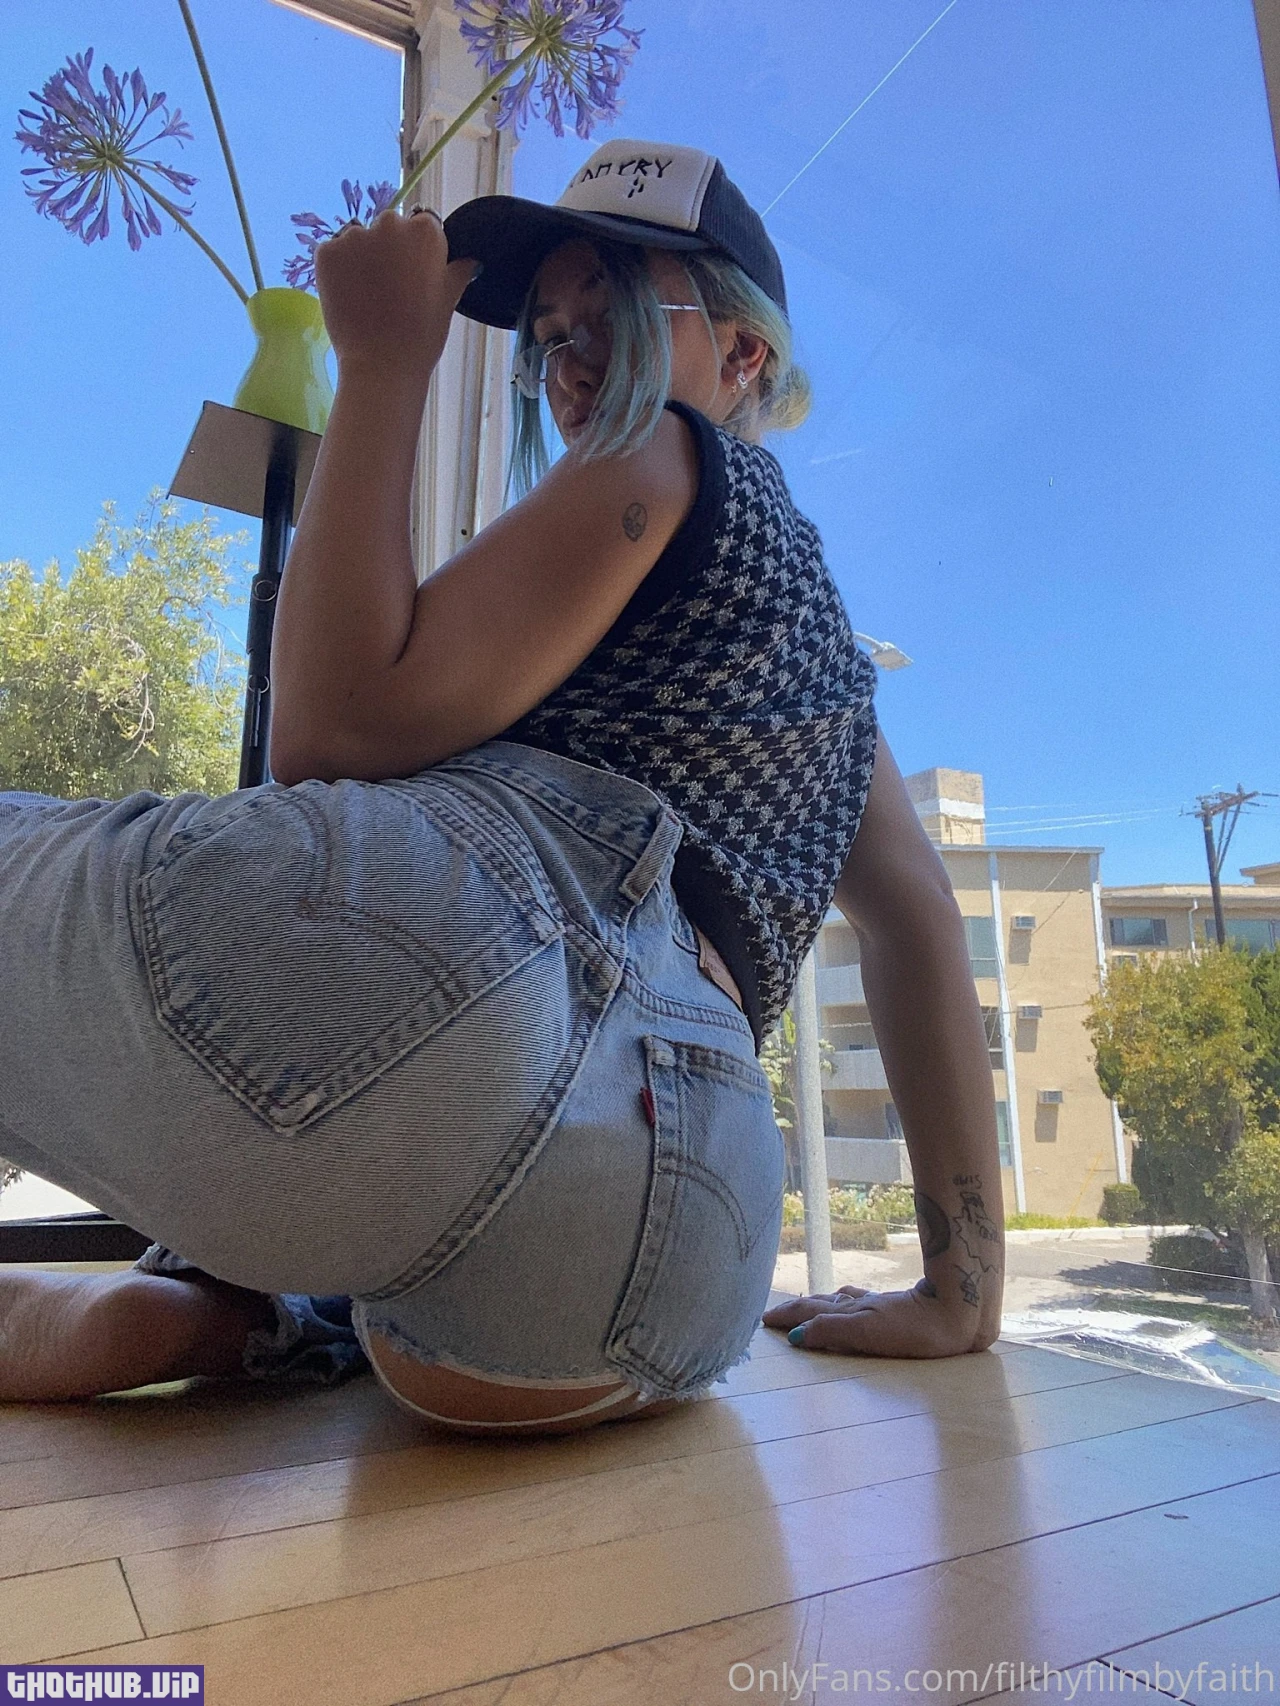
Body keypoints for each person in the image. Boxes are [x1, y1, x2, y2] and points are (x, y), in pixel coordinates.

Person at [0, 140, 1003, 1433]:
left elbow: (331, 729)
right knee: (395, 1249)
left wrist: (382, 365)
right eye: (549, 336)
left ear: (743, 353)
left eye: (613, 312)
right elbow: (917, 926)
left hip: (490, 1015)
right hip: (673, 1248)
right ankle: (262, 1308)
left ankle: (231, 1276)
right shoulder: (825, 680)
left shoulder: (661, 453)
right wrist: (961, 1290)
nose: (571, 361)